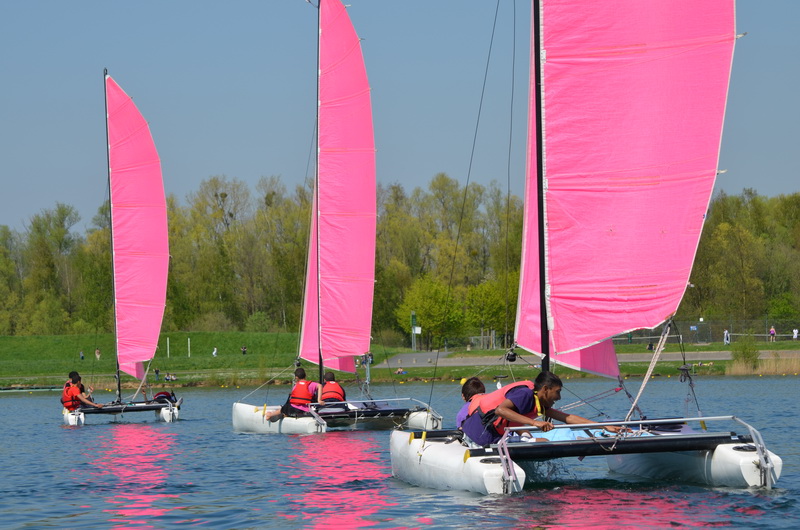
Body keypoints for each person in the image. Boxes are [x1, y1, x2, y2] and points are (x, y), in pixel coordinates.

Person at [461, 371, 622, 446]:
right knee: (543, 441)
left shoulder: (538, 402)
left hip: (493, 437)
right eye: (557, 392)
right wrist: (535, 423)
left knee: (542, 441)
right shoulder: (525, 394)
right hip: (480, 435)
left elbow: (568, 418)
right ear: (545, 389)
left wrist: (603, 426)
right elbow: (500, 411)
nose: (559, 397)